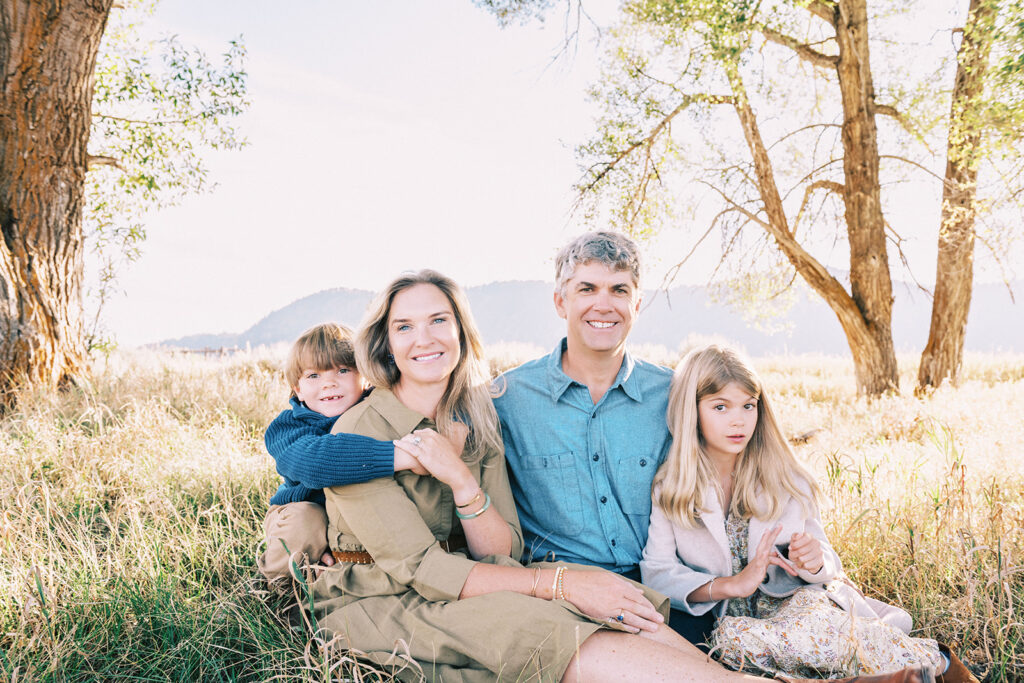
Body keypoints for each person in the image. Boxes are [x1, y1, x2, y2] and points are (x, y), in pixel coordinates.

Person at [305, 269, 825, 683]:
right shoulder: (360, 431)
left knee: (626, 601)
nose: (425, 338)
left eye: (440, 321)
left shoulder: (475, 417)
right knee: (543, 624)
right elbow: (423, 570)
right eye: (404, 327)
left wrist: (462, 480)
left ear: (461, 332)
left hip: (470, 578)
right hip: (382, 598)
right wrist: (559, 584)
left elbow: (498, 549)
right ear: (384, 343)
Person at [641, 344, 976, 683]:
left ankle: (938, 665)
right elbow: (657, 572)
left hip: (796, 602)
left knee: (816, 623)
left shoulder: (785, 477)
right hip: (734, 621)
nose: (738, 419)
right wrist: (730, 585)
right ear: (691, 411)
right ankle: (906, 675)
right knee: (733, 640)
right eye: (720, 407)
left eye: (748, 405)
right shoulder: (671, 487)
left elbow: (827, 561)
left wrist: (813, 561)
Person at [492, 230, 716, 643]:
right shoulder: (505, 400)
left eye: (618, 290)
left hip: (662, 590)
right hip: (559, 599)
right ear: (561, 301)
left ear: (637, 303)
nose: (603, 304)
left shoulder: (674, 396)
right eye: (587, 288)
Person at [257, 322, 432, 584]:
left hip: (353, 519)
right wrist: (398, 456)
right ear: (297, 389)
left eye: (342, 370)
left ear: (365, 376)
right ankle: (277, 587)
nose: (329, 384)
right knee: (305, 522)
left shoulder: (374, 414)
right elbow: (315, 463)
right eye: (313, 376)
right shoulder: (288, 427)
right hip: (304, 515)